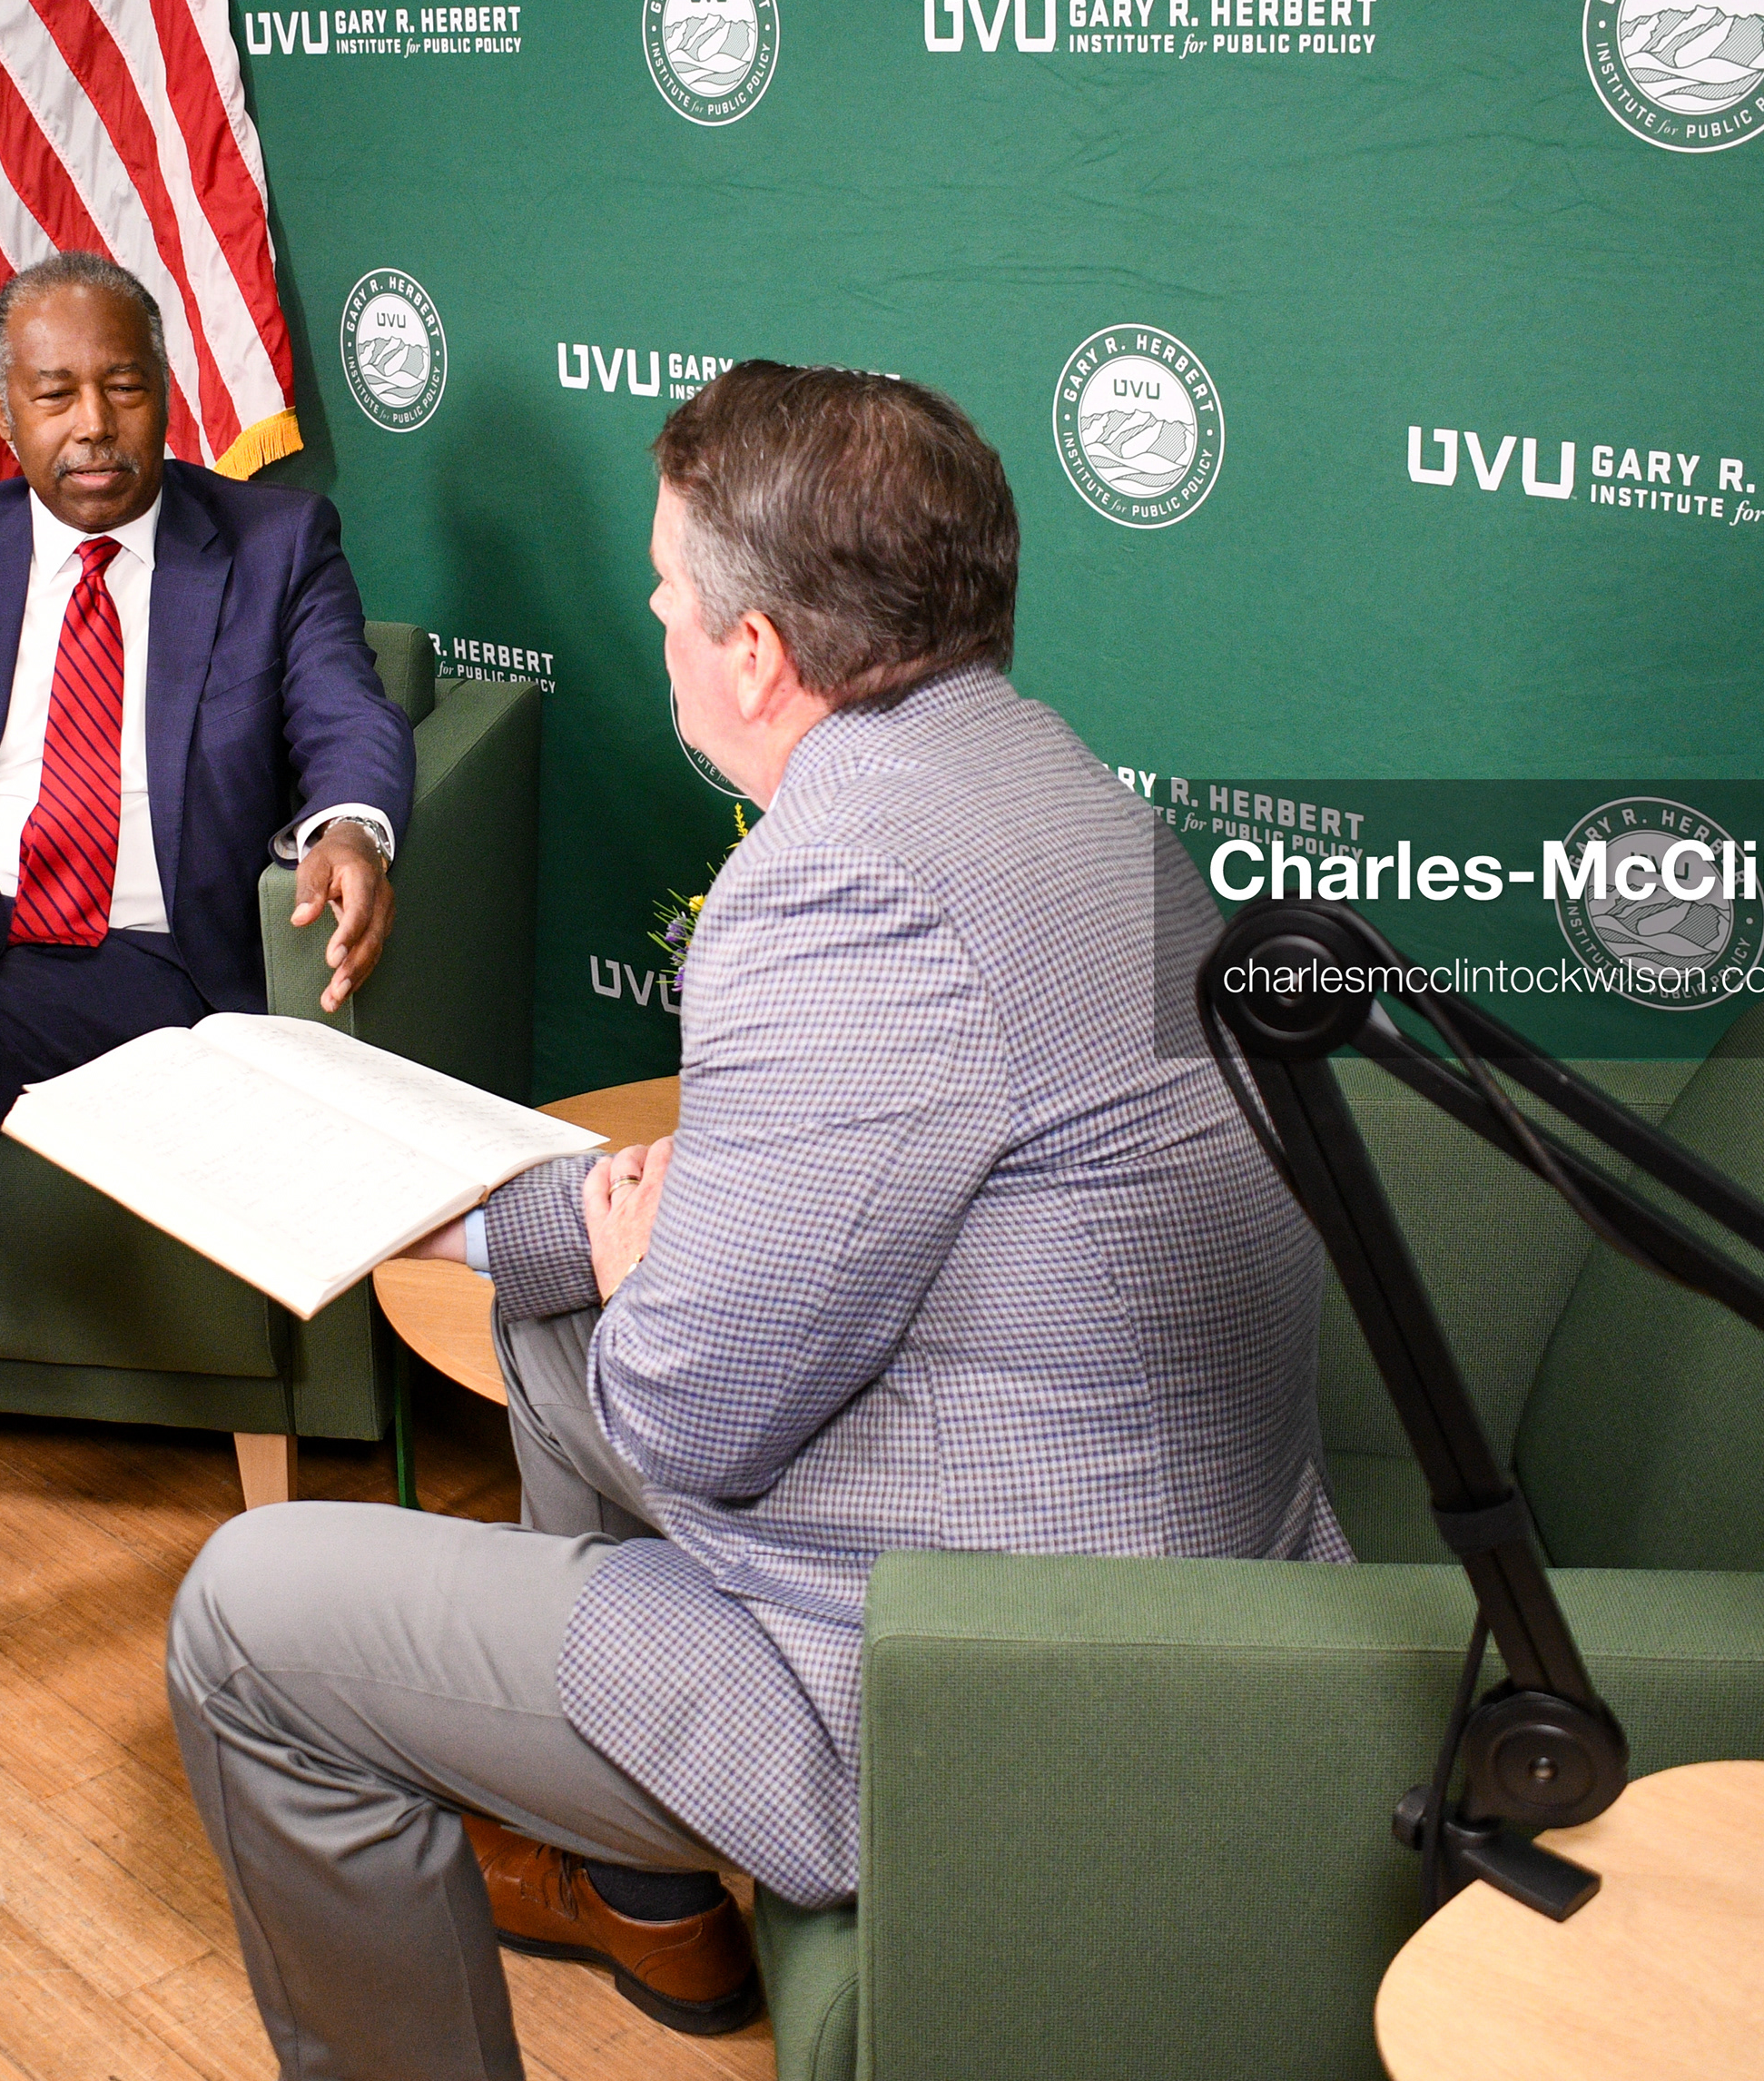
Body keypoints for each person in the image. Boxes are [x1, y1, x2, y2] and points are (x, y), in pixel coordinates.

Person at [163, 362, 1348, 2077]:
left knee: (245, 1614)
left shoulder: (837, 885)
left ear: (758, 656)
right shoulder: (1045, 783)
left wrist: (646, 1279)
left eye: (662, 591)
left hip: (983, 1681)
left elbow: (695, 1409)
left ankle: (621, 1826)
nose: (649, 610)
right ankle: (653, 1904)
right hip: (1142, 1529)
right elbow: (783, 1205)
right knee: (541, 1321)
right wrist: (454, 1215)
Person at [0, 251, 414, 1786]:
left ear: (167, 394)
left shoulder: (274, 541)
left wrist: (355, 825)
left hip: (141, 970)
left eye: (124, 387)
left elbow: (343, 715)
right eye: (56, 393)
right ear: (0, 408)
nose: (95, 425)